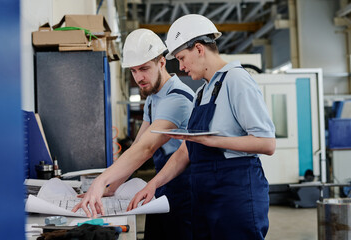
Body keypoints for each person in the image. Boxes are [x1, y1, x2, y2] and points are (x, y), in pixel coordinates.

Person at [128, 14, 276, 240]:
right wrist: (153, 186)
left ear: (199, 49)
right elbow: (185, 152)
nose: (181, 66)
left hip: (235, 196)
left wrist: (214, 140)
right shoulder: (201, 93)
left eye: (181, 58)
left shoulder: (236, 80)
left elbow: (267, 143)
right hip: (204, 196)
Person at [72, 29, 194, 240]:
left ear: (162, 63)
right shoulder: (153, 97)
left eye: (144, 69)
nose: (139, 77)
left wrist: (100, 182)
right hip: (160, 188)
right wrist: (113, 186)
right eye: (134, 71)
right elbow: (138, 145)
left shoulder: (178, 99)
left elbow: (148, 148)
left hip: (185, 193)